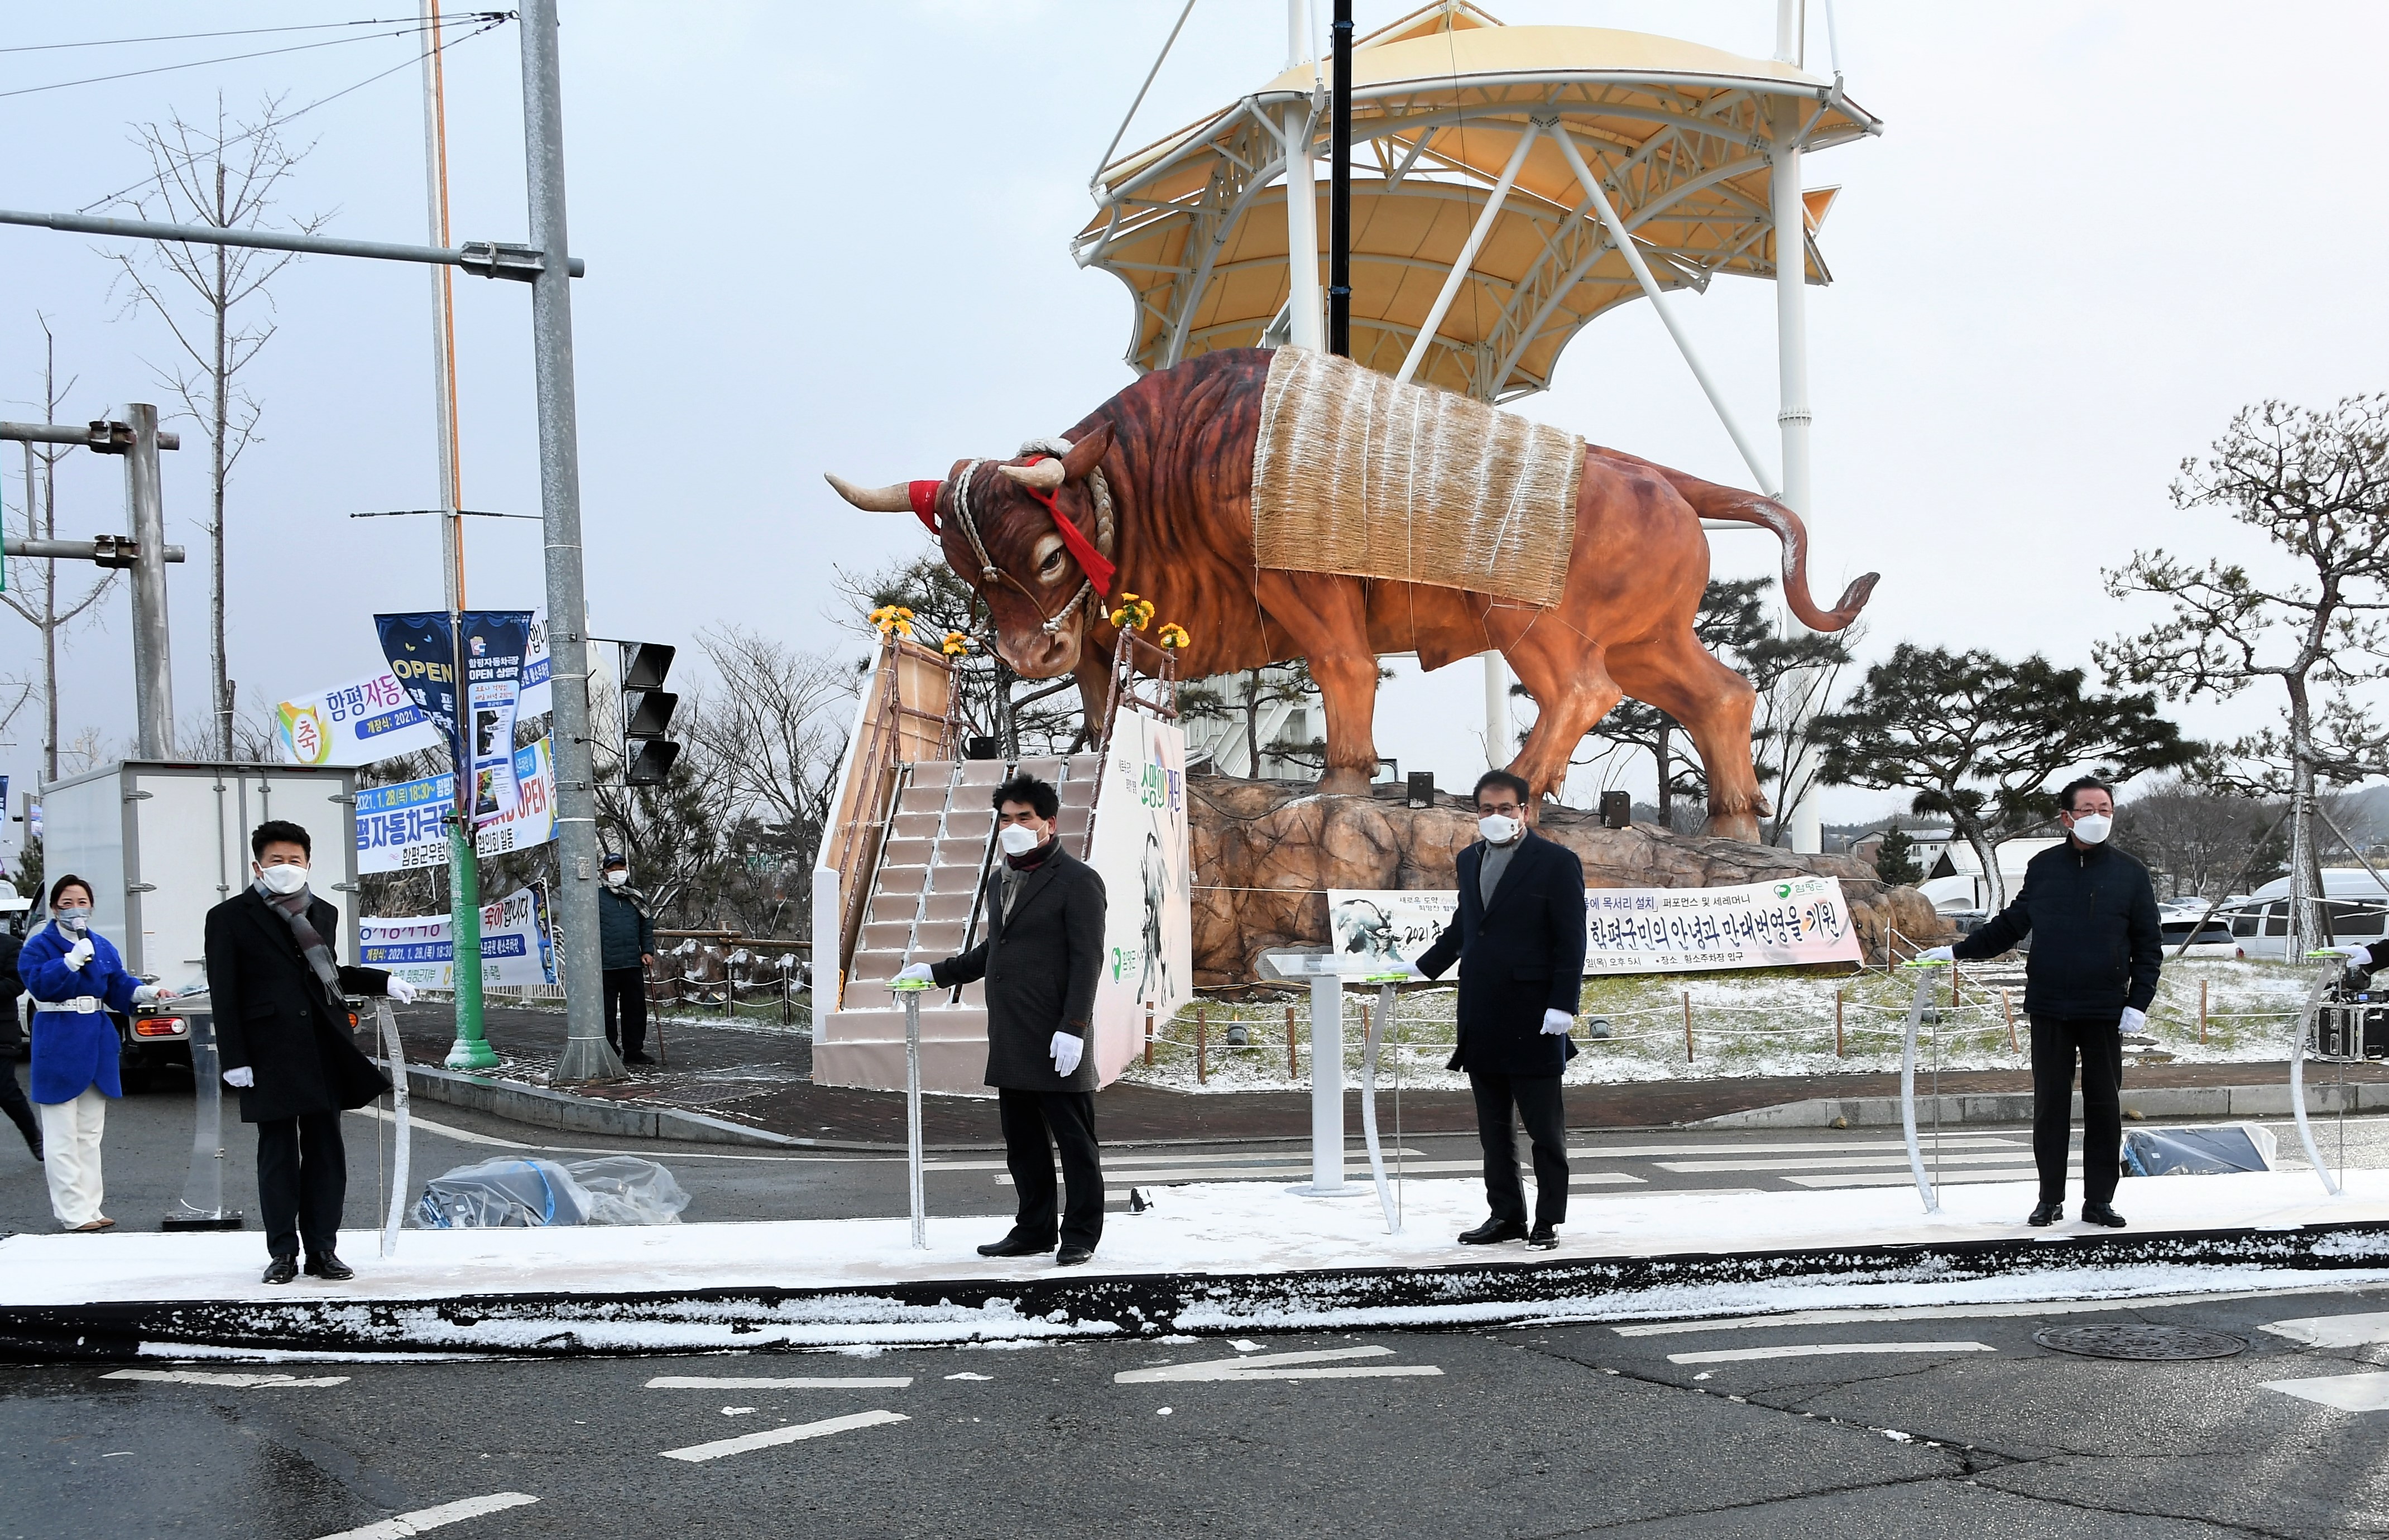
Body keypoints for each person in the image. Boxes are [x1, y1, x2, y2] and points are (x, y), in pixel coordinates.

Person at [1923, 776, 2160, 1229]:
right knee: (2050, 1105)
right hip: (2051, 1004)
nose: (2098, 817)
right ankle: (2050, 1198)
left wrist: (2138, 1001)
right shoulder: (2045, 866)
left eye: (2106, 809)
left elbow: (2149, 945)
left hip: (2105, 1007)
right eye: (2089, 809)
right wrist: (1957, 949)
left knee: (2104, 1107)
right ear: (2067, 817)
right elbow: (2011, 923)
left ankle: (2099, 1201)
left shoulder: (2131, 873)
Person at [895, 773, 1107, 1265]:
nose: (1013, 825)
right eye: (1006, 818)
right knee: (1024, 1144)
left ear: (1048, 823)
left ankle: (1080, 1234)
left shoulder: (1078, 881)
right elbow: (997, 949)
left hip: (1059, 1036)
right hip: (1012, 1034)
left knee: (1076, 1144)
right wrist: (938, 972)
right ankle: (1033, 1229)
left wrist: (1074, 1026)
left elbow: (1088, 959)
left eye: (1024, 817)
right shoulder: (1001, 880)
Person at [205, 819, 416, 1284]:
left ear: (308, 864)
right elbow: (225, 991)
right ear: (257, 865)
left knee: (326, 1152)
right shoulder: (229, 917)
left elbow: (328, 970)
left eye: (294, 860)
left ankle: (323, 1248)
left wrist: (382, 981)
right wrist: (235, 1057)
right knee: (277, 1153)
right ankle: (282, 1252)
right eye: (276, 861)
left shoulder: (321, 911)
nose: (286, 868)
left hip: (324, 1045)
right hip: (268, 1051)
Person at [1416, 770, 1589, 1250]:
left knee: (1544, 1131)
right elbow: (1465, 926)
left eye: (1506, 808)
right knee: (1494, 1130)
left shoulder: (1556, 862)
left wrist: (1563, 1005)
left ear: (1525, 811)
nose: (1496, 817)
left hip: (1536, 1016)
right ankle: (1506, 1214)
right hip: (1483, 1013)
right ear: (1477, 814)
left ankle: (1547, 1219)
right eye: (1487, 810)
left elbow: (1571, 940)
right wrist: (1419, 967)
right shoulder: (1469, 859)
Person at [20, 875, 171, 1229]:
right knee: (61, 1136)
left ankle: (91, 1208)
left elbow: (117, 984)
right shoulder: (39, 947)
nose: (76, 909)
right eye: (67, 902)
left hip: (96, 1038)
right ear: (55, 907)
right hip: (58, 1040)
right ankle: (72, 1212)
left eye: (82, 901)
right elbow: (40, 985)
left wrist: (149, 993)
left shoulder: (100, 944)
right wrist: (69, 963)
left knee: (89, 1134)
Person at [598, 851, 656, 1065]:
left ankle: (634, 1050)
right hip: (606, 965)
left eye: (620, 868)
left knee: (636, 1010)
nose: (617, 872)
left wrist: (648, 951)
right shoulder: (597, 897)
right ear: (605, 872)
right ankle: (610, 1051)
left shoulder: (636, 896)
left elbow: (646, 924)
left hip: (632, 962)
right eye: (612, 869)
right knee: (607, 1013)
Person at [0, 916, 39, 1162]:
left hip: (1, 1034)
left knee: (5, 1090)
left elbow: (16, 983)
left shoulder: (10, 945)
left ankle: (33, 1134)